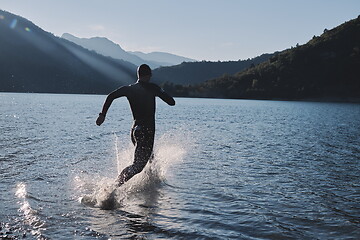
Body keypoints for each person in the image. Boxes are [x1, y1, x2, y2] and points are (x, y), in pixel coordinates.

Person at [96, 64, 175, 186]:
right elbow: (171, 102)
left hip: (135, 131)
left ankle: (149, 186)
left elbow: (111, 96)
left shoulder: (129, 89)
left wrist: (102, 115)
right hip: (146, 132)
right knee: (138, 166)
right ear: (149, 75)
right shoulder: (153, 88)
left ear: (138, 75)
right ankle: (113, 187)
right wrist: (160, 91)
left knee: (150, 158)